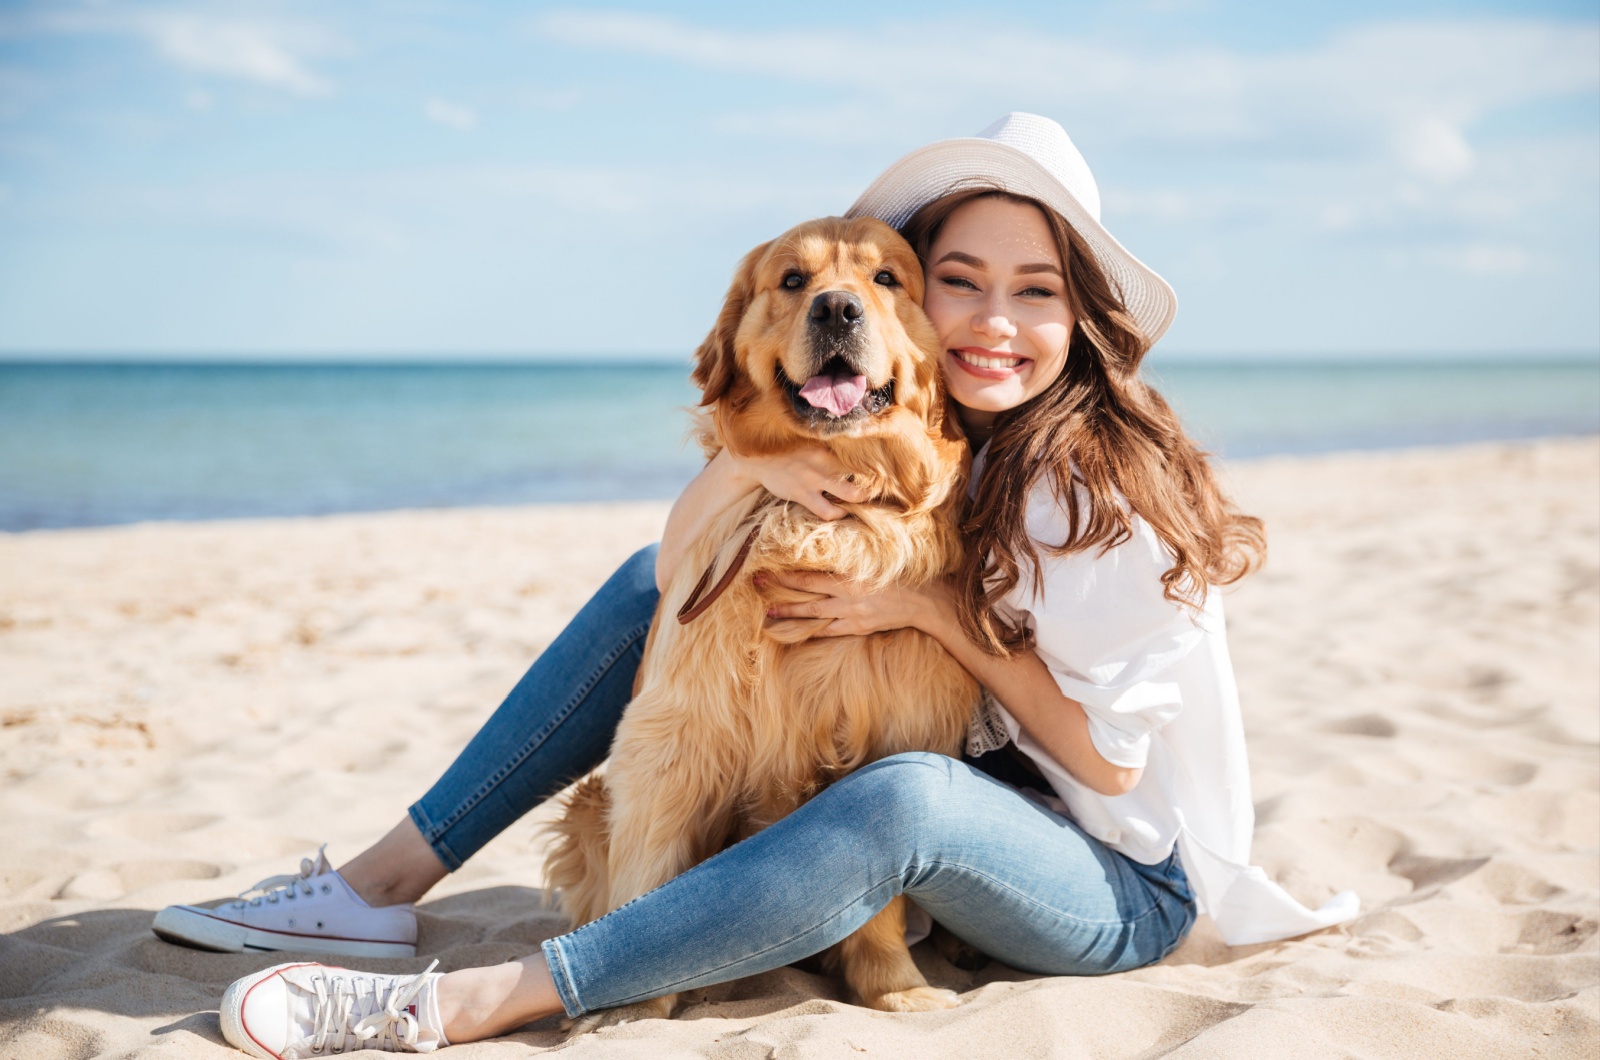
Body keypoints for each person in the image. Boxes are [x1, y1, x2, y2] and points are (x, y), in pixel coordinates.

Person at [162, 113, 1358, 1058]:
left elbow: (1106, 768)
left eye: (1036, 289)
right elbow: (675, 568)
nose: (994, 318)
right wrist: (753, 454)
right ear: (925, 302)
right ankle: (383, 883)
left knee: (906, 792)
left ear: (1080, 316)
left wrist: (930, 610)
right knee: (651, 589)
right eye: (958, 279)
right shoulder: (953, 444)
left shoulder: (1095, 489)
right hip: (1003, 813)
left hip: (1118, 877)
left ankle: (485, 1000)